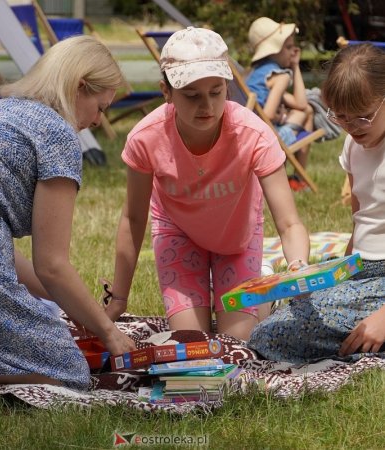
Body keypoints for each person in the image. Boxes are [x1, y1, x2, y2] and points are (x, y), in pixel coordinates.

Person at [0, 35, 136, 389]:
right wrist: (107, 331)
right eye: (101, 108)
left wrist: (79, 305)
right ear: (79, 87)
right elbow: (52, 264)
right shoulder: (57, 135)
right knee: (67, 372)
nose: (97, 121)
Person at [105, 27, 309, 341]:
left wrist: (298, 266)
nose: (207, 106)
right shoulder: (145, 138)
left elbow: (289, 221)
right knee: (191, 341)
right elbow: (132, 219)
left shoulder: (253, 134)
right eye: (192, 95)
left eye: (216, 92)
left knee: (237, 340)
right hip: (178, 234)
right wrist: (118, 297)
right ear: (166, 92)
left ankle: (266, 293)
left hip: (237, 238)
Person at [248, 43, 385, 362]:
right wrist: (336, 276)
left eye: (363, 117)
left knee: (274, 334)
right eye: (340, 117)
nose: (350, 127)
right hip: (361, 272)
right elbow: (360, 217)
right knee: (292, 315)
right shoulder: (353, 145)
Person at [246, 17, 314, 192]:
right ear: (273, 51)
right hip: (267, 140)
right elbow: (269, 114)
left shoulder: (258, 73)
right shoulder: (281, 76)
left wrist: (295, 65)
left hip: (249, 137)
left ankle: (295, 178)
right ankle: (298, 179)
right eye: (288, 47)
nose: (294, 51)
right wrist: (282, 117)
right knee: (307, 111)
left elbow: (297, 102)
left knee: (305, 110)